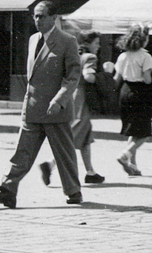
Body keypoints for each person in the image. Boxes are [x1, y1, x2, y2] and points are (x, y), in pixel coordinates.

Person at [0, 1, 84, 208]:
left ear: (53, 18)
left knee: (64, 154)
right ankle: (8, 189)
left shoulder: (67, 41)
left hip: (55, 110)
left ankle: (73, 191)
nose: (37, 20)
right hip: (33, 107)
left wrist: (59, 100)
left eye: (42, 16)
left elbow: (73, 77)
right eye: (35, 16)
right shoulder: (32, 40)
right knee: (22, 152)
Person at [42, 31, 106, 187]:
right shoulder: (90, 57)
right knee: (73, 134)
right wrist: (106, 74)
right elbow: (89, 76)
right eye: (96, 43)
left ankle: (90, 172)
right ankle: (50, 164)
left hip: (70, 96)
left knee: (85, 136)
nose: (98, 46)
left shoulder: (73, 56)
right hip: (81, 100)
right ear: (87, 43)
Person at [113, 25, 152, 176]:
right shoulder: (145, 56)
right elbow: (147, 79)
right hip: (140, 94)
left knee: (133, 129)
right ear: (144, 40)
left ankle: (133, 165)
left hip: (125, 92)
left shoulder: (123, 56)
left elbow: (116, 79)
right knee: (144, 132)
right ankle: (125, 154)